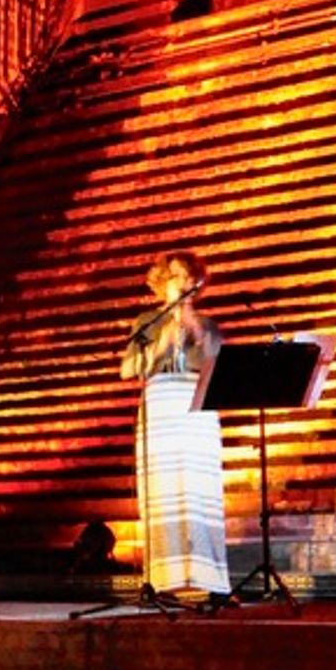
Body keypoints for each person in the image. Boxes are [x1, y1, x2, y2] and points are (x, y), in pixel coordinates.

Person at [120, 251, 230, 599]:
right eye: (175, 276)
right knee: (165, 492)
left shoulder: (208, 324)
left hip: (196, 408)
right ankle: (163, 580)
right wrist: (163, 341)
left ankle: (209, 580)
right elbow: (128, 369)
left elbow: (219, 363)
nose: (182, 283)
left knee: (199, 491)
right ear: (162, 281)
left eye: (187, 277)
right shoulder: (146, 322)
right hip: (162, 409)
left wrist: (195, 328)